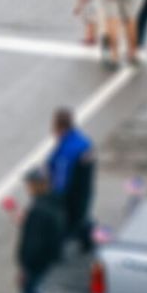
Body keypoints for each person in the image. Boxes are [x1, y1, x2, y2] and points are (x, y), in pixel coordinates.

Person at [12, 167, 66, 293]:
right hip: (48, 264)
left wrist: (24, 268)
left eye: (30, 184)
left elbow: (33, 245)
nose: (28, 188)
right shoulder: (55, 203)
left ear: (39, 185)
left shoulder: (38, 210)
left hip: (36, 267)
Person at [47, 107, 96, 253]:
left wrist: (54, 196)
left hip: (71, 196)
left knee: (66, 224)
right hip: (84, 191)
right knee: (80, 217)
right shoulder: (82, 141)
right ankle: (87, 239)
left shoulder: (67, 151)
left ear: (59, 127)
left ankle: (56, 252)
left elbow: (61, 180)